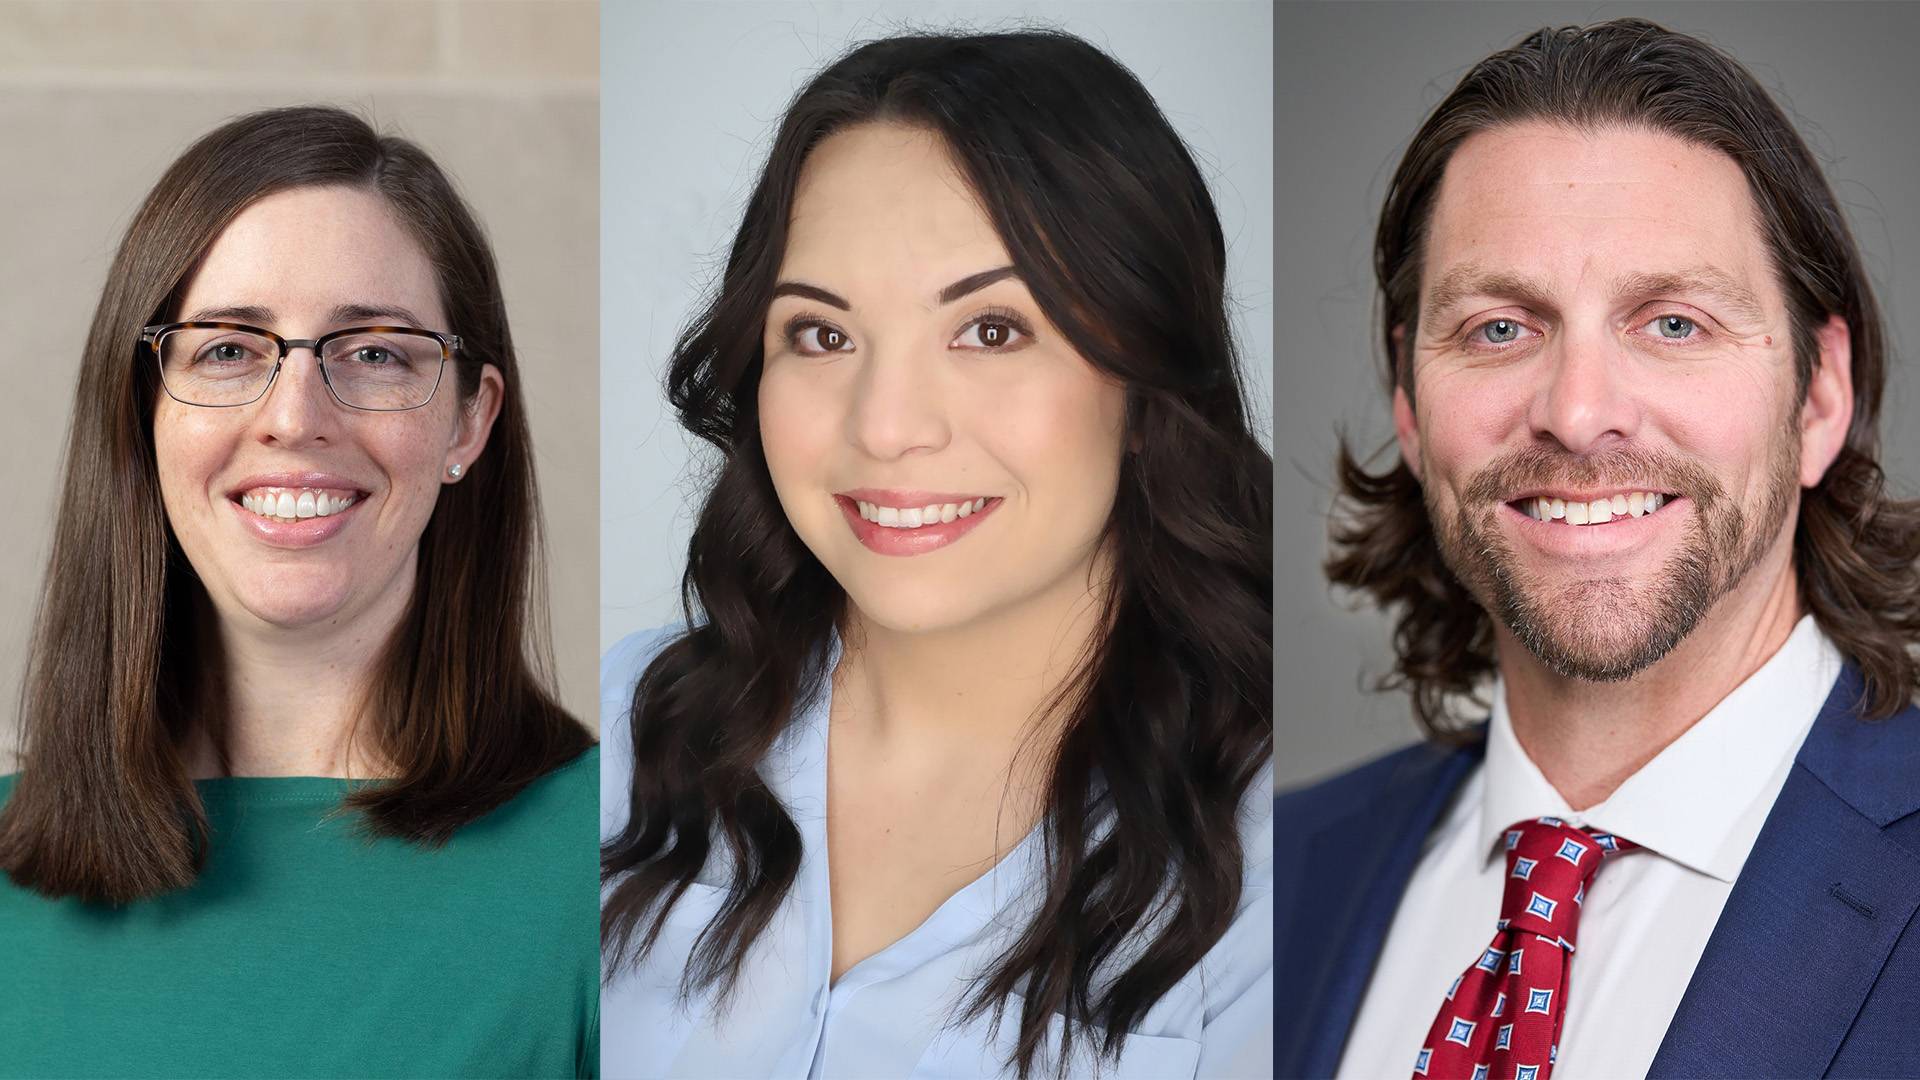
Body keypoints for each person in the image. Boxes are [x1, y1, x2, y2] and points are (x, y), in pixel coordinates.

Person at [599, 30, 1273, 1080]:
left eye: (991, 330)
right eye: (821, 336)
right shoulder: (618, 730)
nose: (888, 426)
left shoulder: (1281, 857)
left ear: (1146, 385)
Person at [1275, 18, 1920, 1079]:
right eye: (1499, 328)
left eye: (1673, 324)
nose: (1578, 413)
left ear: (1819, 394)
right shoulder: (1283, 869)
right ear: (1408, 400)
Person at [0, 106, 598, 1077]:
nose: (293, 417)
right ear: (141, 411)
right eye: (228, 349)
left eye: (374, 352)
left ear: (468, 424)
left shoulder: (618, 859)